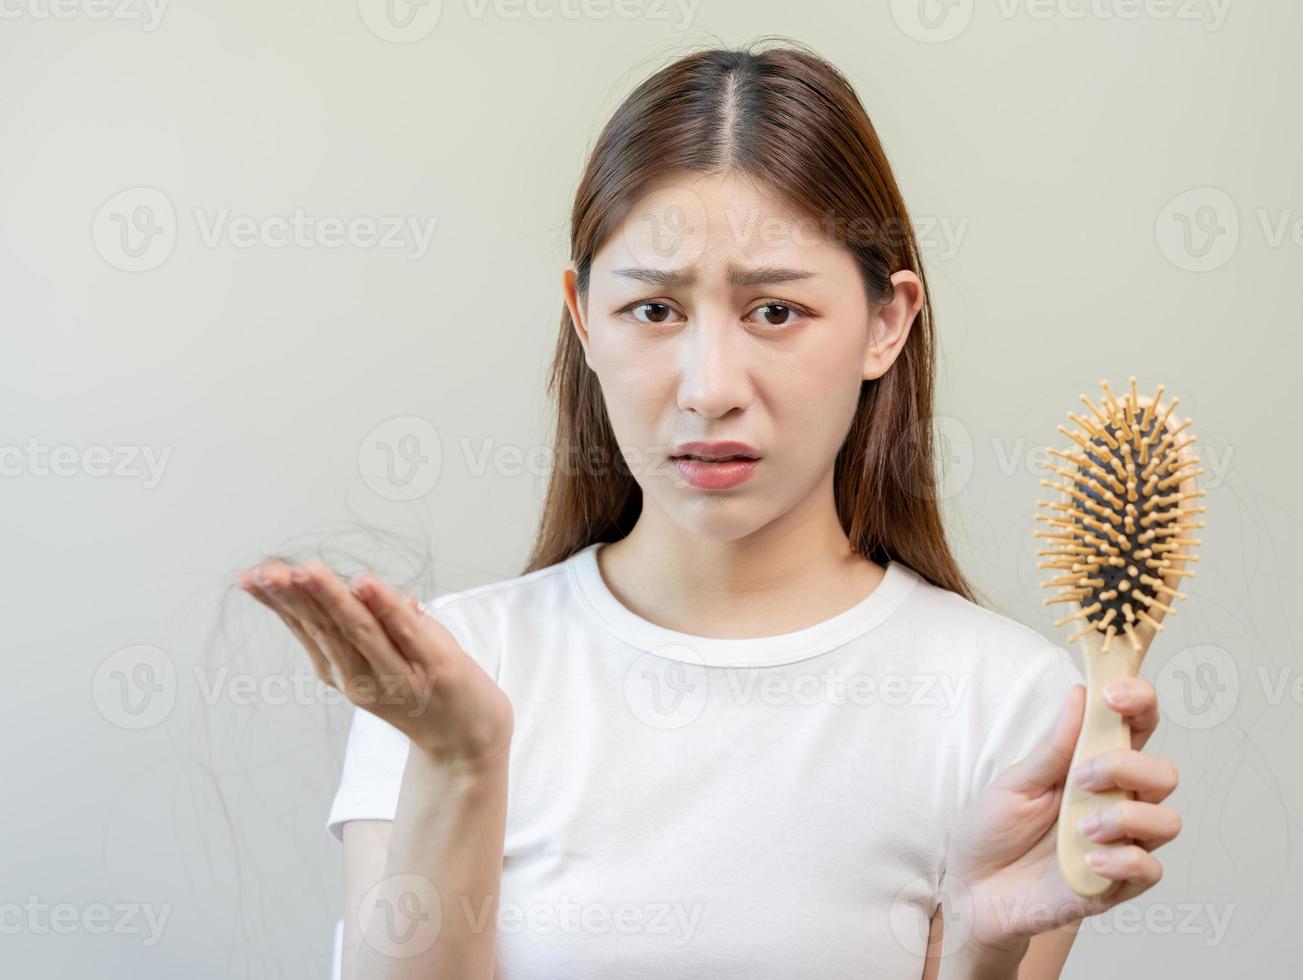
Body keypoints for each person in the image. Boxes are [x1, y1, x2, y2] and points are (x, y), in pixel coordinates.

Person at [238, 41, 1181, 980]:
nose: (710, 388)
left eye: (775, 312)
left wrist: (987, 943)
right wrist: (462, 762)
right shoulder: (449, 676)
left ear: (886, 323)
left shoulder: (1009, 705)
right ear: (581, 315)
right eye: (655, 311)